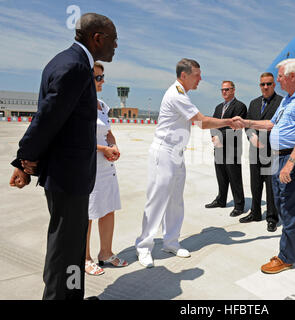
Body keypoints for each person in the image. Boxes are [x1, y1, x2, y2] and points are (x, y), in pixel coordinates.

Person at [9, 13, 117, 299]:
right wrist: (24, 160)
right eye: (113, 39)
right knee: (68, 248)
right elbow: (47, 118)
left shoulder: (65, 61)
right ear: (97, 38)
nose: (116, 46)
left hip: (66, 174)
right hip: (69, 176)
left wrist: (29, 160)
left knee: (66, 245)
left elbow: (53, 117)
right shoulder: (75, 67)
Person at [135, 58, 243, 268]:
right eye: (197, 75)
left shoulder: (182, 94)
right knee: (156, 201)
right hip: (164, 153)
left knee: (175, 200)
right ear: (184, 75)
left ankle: (171, 242)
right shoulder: (176, 95)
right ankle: (144, 247)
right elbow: (202, 122)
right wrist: (229, 121)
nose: (200, 79)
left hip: (176, 154)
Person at [233, 58, 295, 274]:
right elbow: (273, 124)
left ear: (291, 76)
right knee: (281, 202)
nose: (278, 80)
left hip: (294, 158)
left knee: (289, 206)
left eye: (280, 76)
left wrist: (290, 164)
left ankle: (286, 257)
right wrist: (247, 123)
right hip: (278, 156)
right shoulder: (289, 99)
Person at [84, 62, 128, 276]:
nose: (102, 81)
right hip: (88, 163)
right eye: (98, 78)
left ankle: (106, 253)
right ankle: (84, 257)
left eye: (103, 77)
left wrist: (113, 145)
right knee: (88, 212)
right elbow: (77, 140)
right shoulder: (79, 104)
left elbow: (108, 132)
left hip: (106, 164)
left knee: (108, 207)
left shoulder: (102, 105)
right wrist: (103, 148)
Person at [239, 72, 282, 232]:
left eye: (268, 84)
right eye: (263, 84)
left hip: (272, 152)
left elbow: (279, 126)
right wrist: (251, 137)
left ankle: (272, 218)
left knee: (271, 188)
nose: (265, 87)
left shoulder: (281, 103)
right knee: (255, 185)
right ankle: (255, 212)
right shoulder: (254, 103)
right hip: (254, 151)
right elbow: (248, 124)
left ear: (274, 85)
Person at [205, 81, 247, 217]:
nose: (224, 92)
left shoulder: (240, 106)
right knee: (221, 175)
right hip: (218, 148)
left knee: (234, 177)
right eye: (222, 90)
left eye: (227, 89)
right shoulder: (218, 107)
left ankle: (239, 205)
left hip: (231, 148)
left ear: (233, 90)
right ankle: (221, 199)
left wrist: (219, 137)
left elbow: (235, 126)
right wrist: (213, 135)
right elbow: (212, 123)